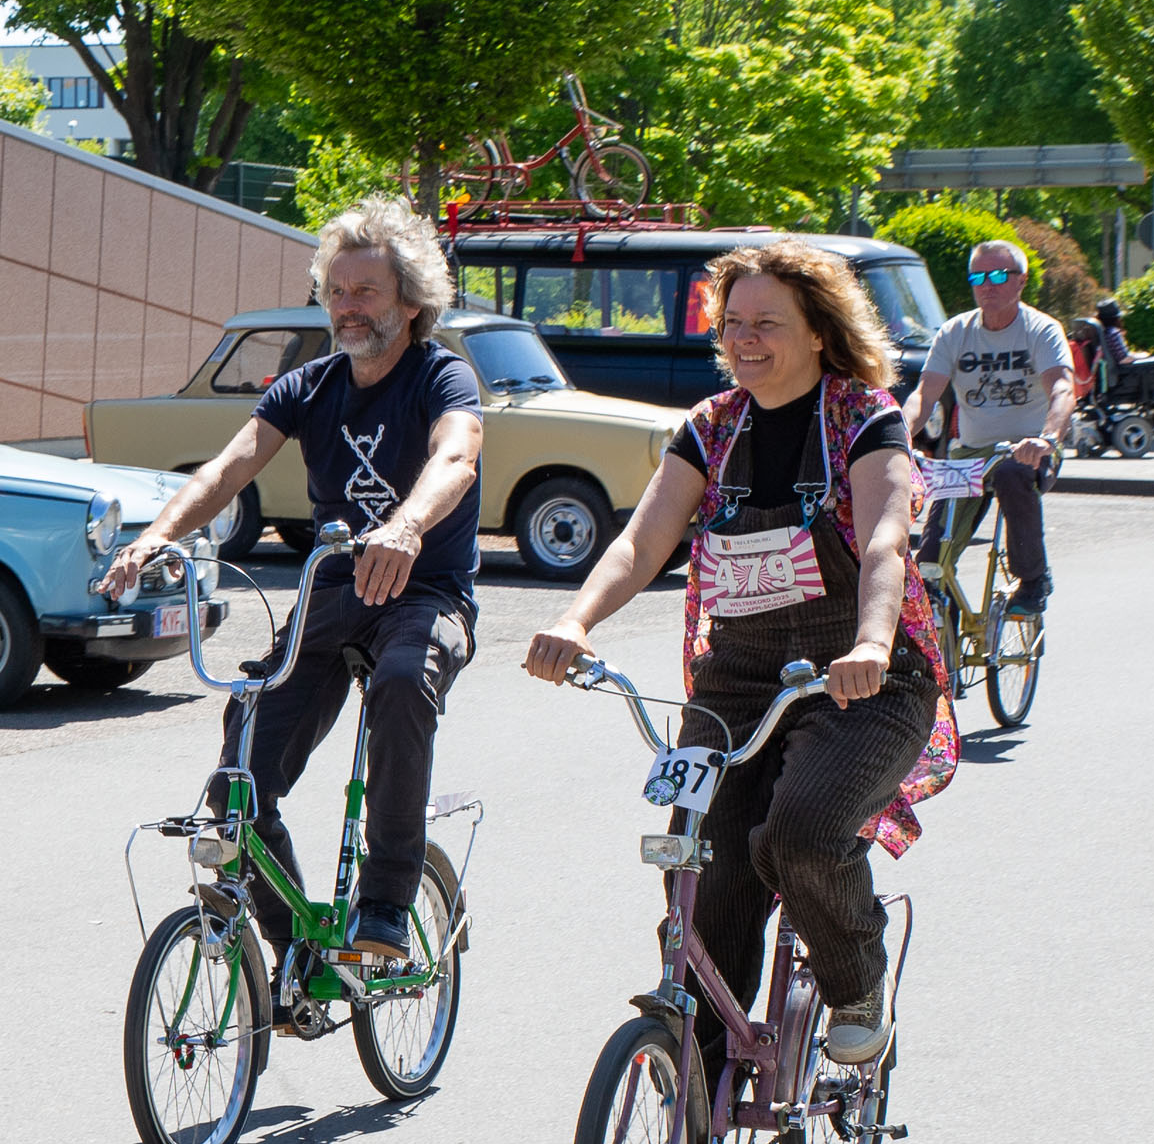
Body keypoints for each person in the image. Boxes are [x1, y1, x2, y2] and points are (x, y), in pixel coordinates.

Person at [525, 239, 958, 1069]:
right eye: (733, 325)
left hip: (863, 680)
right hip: (738, 676)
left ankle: (857, 980)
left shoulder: (863, 419)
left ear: (819, 332)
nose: (746, 339)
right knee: (704, 862)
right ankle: (697, 1067)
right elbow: (641, 542)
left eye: (768, 322)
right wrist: (577, 622)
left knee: (798, 832)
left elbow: (883, 546)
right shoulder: (712, 428)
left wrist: (872, 640)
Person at [101, 197, 483, 987]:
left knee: (404, 683)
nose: (347, 308)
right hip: (331, 596)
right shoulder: (307, 387)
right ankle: (298, 945)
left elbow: (457, 457)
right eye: (336, 292)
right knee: (238, 775)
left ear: (409, 302)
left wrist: (407, 526)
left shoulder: (440, 375)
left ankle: (384, 904)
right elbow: (226, 468)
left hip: (424, 594)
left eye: (366, 292)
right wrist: (156, 537)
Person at [903, 240, 1074, 616]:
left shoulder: (1041, 330)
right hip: (971, 454)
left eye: (998, 275)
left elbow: (1062, 388)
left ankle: (1032, 580)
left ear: (1021, 281)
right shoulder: (955, 332)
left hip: (1029, 449)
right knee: (929, 562)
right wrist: (898, 432)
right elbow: (925, 394)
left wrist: (1046, 439)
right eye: (978, 277)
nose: (988, 285)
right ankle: (940, 635)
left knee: (1015, 474)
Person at [1095, 297, 1154, 429]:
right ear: (1116, 317)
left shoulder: (1103, 333)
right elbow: (1124, 359)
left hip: (1117, 377)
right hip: (1125, 379)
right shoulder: (1113, 333)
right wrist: (1146, 357)